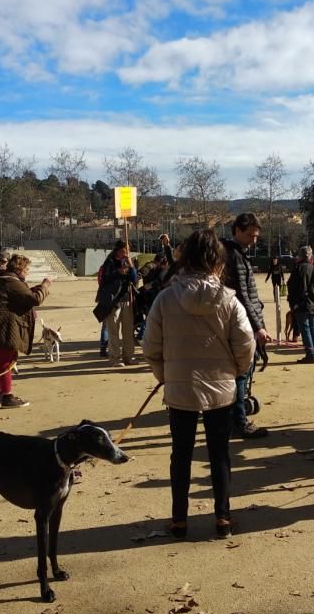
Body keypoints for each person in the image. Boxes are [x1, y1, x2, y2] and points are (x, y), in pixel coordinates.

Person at [142, 229, 255, 540]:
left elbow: (150, 346)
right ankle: (223, 519)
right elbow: (246, 345)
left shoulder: (165, 298)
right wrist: (235, 371)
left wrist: (165, 375)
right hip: (221, 387)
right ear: (217, 262)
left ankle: (179, 520)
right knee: (219, 454)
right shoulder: (229, 300)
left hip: (180, 388)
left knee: (181, 454)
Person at [0, 254, 50, 408]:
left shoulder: (2, 279)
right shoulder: (10, 281)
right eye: (26, 269)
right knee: (5, 361)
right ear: (19, 268)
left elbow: (21, 295)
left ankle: (0, 395)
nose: (27, 272)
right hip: (1, 327)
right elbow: (34, 299)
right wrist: (44, 286)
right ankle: (7, 396)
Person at [222, 213, 270, 439]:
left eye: (256, 236)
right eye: (250, 235)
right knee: (241, 374)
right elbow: (243, 295)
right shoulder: (234, 256)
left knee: (239, 375)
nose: (254, 240)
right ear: (237, 230)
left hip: (240, 320)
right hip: (241, 324)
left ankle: (234, 419)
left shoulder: (235, 254)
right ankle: (238, 422)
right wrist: (258, 326)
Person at [96, 240, 138, 366]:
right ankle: (115, 358)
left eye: (128, 249)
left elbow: (134, 279)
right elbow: (104, 280)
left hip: (127, 300)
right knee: (113, 331)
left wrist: (131, 267)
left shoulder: (128, 261)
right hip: (113, 301)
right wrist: (118, 272)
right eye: (125, 249)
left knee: (128, 330)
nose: (127, 252)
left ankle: (128, 356)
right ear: (119, 250)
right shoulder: (109, 262)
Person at [287, 246, 314, 364]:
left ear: (300, 256)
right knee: (312, 328)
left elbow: (292, 287)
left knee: (306, 329)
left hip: (302, 304)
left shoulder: (298, 269)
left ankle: (310, 355)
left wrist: (293, 304)